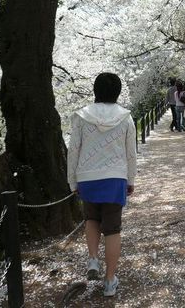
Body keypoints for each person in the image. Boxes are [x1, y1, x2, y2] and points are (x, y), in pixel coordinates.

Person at [67, 72, 137, 298]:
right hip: (115, 177)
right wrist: (131, 179)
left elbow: (73, 150)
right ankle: (109, 281)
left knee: (92, 219)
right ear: (117, 91)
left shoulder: (81, 116)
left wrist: (72, 181)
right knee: (113, 228)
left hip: (87, 177)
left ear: (95, 90)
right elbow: (131, 153)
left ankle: (93, 260)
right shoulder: (125, 117)